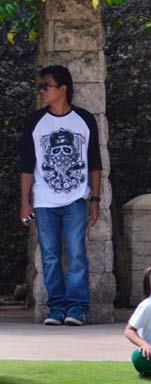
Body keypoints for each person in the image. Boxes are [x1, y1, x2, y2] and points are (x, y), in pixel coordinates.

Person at [19, 65, 103, 326]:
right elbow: (26, 165)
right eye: (41, 87)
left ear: (62, 89)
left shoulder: (85, 120)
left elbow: (94, 163)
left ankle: (77, 307)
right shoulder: (35, 122)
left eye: (47, 86)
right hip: (44, 201)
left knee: (77, 254)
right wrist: (24, 202)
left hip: (76, 199)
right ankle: (56, 307)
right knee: (50, 256)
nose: (42, 91)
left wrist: (96, 199)